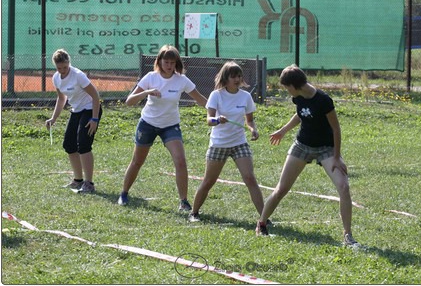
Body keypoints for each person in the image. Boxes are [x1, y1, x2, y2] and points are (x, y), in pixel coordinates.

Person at [255, 65, 359, 247]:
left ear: (295, 85)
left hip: (325, 148)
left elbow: (336, 128)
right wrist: (283, 131)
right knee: (281, 189)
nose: (287, 92)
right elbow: (300, 115)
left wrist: (336, 157)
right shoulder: (298, 98)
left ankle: (348, 236)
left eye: (287, 88)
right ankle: (261, 224)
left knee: (344, 187)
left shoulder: (323, 100)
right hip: (302, 146)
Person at [118, 45, 207, 211]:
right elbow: (129, 101)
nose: (169, 66)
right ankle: (124, 193)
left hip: (170, 125)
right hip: (148, 124)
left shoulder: (182, 80)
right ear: (159, 61)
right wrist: (147, 92)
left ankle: (184, 201)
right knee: (137, 161)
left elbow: (201, 100)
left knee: (180, 161)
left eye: (173, 62)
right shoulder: (151, 77)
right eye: (166, 62)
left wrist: (216, 111)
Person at [188, 61, 264, 222]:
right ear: (225, 78)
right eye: (233, 76)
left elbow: (249, 120)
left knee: (250, 178)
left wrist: (253, 129)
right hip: (219, 144)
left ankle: (264, 217)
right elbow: (209, 120)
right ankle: (194, 213)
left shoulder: (246, 96)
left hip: (239, 143)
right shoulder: (216, 95)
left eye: (239, 76)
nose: (237, 79)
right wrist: (217, 120)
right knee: (209, 181)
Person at [45, 49, 102, 193]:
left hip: (90, 109)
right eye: (59, 68)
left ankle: (89, 183)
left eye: (65, 67)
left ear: (69, 63)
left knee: (83, 144)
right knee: (69, 145)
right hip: (76, 110)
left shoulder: (78, 75)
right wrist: (53, 118)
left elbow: (96, 97)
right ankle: (78, 180)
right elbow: (62, 98)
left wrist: (94, 119)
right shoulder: (56, 78)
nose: (63, 70)